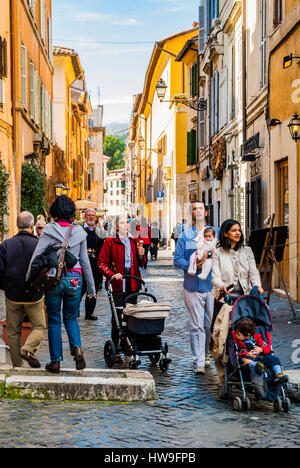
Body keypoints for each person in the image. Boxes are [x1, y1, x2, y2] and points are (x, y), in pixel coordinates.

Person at [26, 196, 96, 374]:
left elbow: (36, 256)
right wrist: (92, 290)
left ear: (55, 211)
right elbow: (85, 261)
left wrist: (28, 278)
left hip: (54, 279)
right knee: (71, 318)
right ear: (72, 212)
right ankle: (77, 349)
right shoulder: (79, 232)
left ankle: (55, 361)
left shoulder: (49, 230)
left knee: (55, 319)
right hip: (75, 279)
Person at [174, 202, 216, 375]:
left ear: (206, 212)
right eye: (194, 208)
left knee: (208, 325)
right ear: (191, 213)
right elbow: (177, 259)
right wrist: (194, 266)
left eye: (200, 208)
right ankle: (197, 361)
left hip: (211, 287)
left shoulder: (215, 233)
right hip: (191, 286)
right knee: (196, 325)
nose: (197, 211)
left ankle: (205, 354)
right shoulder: (185, 235)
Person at [0, 212, 46, 368]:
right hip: (34, 294)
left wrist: (5, 286)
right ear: (32, 226)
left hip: (13, 294)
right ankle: (28, 349)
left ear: (17, 225)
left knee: (13, 332)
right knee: (39, 326)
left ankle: (17, 367)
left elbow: (0, 270)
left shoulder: (6, 245)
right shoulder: (39, 244)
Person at [98, 215, 145, 357]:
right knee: (118, 316)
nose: (126, 225)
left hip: (132, 282)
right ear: (117, 226)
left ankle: (129, 346)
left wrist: (141, 256)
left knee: (131, 316)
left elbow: (140, 263)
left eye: (127, 223)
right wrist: (111, 275)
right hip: (117, 283)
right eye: (123, 223)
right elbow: (101, 263)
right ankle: (116, 345)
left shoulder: (134, 241)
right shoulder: (110, 241)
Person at [211, 220, 264, 314]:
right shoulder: (217, 253)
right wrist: (222, 286)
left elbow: (253, 272)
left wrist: (257, 285)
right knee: (222, 328)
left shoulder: (247, 251)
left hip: (245, 300)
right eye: (234, 230)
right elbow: (215, 277)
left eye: (239, 230)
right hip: (224, 300)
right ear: (226, 234)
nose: (238, 233)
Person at [234, 317, 289, 384]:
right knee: (242, 358)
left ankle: (279, 374)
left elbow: (268, 348)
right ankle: (255, 365)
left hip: (261, 357)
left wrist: (261, 349)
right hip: (249, 359)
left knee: (274, 359)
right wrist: (247, 354)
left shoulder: (257, 338)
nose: (236, 335)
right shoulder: (238, 342)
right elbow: (237, 353)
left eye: (238, 334)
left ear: (248, 335)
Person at [81, 208, 105, 320]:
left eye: (93, 215)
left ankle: (89, 312)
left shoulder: (99, 232)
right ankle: (75, 309)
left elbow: (103, 247)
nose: (91, 217)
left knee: (93, 287)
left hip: (95, 264)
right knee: (81, 288)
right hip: (82, 263)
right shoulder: (80, 230)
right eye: (89, 215)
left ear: (95, 218)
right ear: (85, 217)